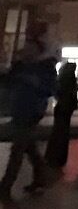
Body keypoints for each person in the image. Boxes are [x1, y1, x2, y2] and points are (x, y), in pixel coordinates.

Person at [0, 24, 58, 198]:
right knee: (29, 147)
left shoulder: (45, 68)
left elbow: (50, 89)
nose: (26, 50)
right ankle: (42, 176)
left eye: (29, 47)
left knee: (18, 149)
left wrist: (32, 82)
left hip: (32, 112)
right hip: (19, 109)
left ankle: (5, 186)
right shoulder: (20, 66)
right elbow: (8, 82)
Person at [45, 59, 78, 170]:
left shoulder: (62, 80)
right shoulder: (72, 80)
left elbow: (57, 93)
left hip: (62, 107)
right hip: (67, 107)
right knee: (63, 132)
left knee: (57, 131)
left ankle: (52, 156)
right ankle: (59, 157)